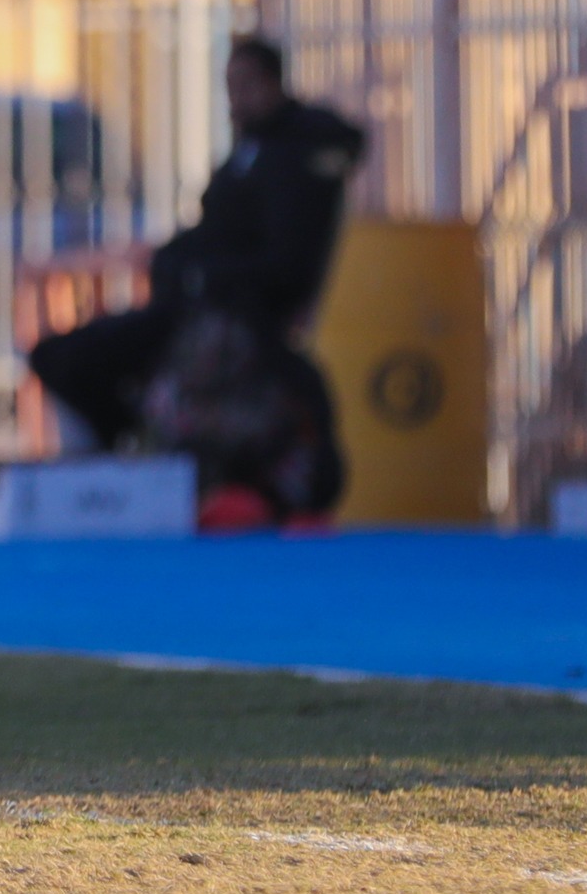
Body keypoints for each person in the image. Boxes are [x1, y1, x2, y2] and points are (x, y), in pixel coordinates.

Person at [29, 34, 365, 528]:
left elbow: (282, 261)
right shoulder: (248, 154)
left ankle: (132, 463)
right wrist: (173, 263)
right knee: (59, 357)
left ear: (274, 84)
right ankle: (119, 459)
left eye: (248, 84)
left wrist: (199, 277)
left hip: (228, 311)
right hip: (190, 303)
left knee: (77, 359)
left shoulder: (292, 156)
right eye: (230, 86)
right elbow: (214, 231)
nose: (238, 99)